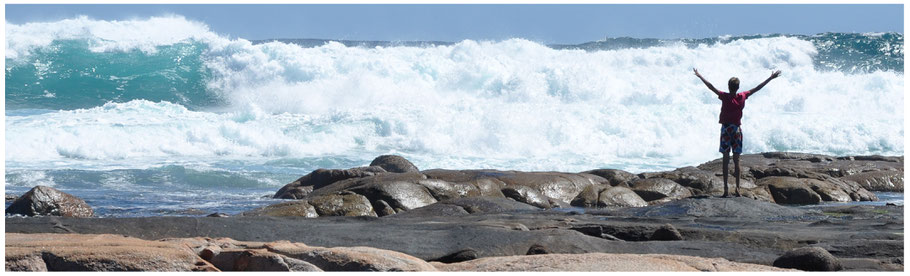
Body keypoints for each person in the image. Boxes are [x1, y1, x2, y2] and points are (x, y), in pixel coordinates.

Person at [694, 68, 781, 197]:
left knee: (725, 160)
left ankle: (725, 189)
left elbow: (711, 87)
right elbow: (758, 88)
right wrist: (770, 78)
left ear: (728, 87)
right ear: (738, 87)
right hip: (737, 131)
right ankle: (738, 189)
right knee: (737, 160)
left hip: (726, 130)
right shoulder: (742, 96)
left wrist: (700, 76)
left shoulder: (724, 96)